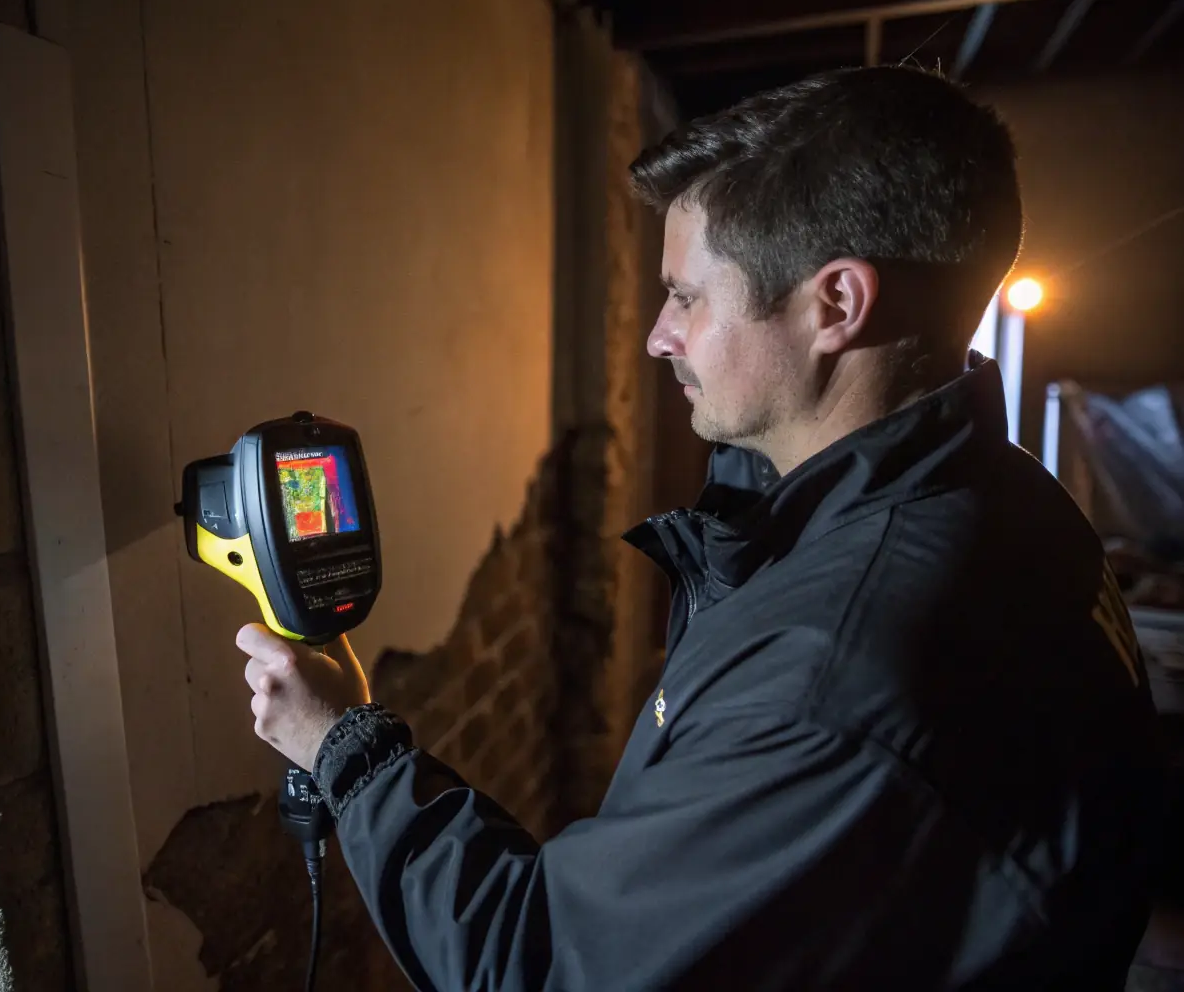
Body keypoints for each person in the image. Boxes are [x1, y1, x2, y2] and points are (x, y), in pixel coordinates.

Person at [235, 66, 1165, 990]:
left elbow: (544, 967)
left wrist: (339, 745)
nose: (656, 336)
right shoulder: (1009, 500)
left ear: (834, 304)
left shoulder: (831, 678)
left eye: (685, 296)